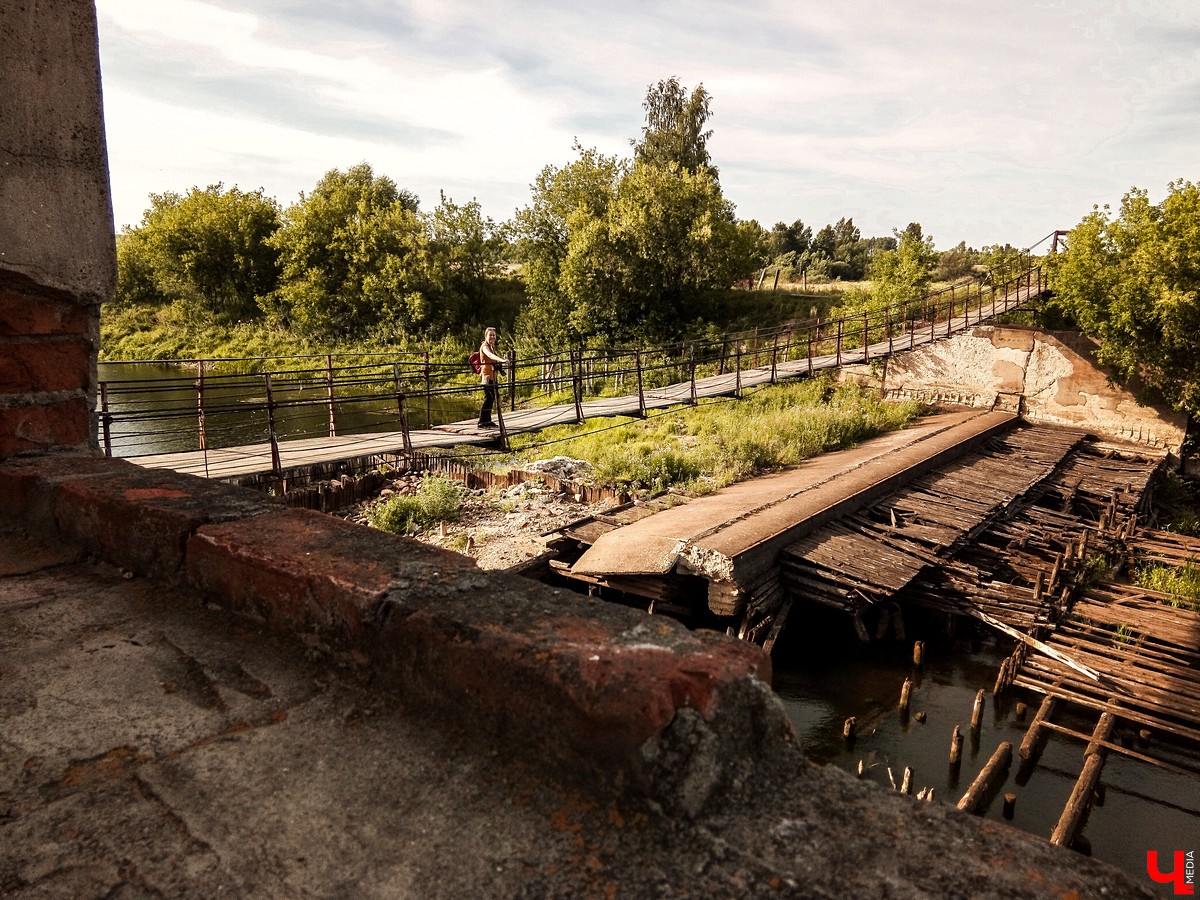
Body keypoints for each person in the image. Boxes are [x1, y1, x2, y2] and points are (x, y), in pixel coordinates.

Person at [476, 326, 505, 428]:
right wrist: (502, 360)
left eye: (494, 335)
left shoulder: (492, 347)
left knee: (492, 397)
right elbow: (490, 356)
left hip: (493, 376)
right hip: (486, 376)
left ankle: (487, 420)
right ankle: (481, 421)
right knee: (488, 397)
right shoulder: (485, 346)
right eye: (490, 335)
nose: (492, 337)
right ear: (486, 336)